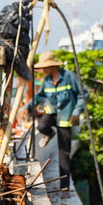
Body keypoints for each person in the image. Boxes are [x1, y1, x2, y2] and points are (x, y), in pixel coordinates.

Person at [26, 51, 86, 192]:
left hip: (66, 118)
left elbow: (83, 95)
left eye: (46, 67)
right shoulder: (46, 81)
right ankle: (49, 133)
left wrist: (77, 111)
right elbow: (39, 97)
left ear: (53, 66)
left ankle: (64, 187)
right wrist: (27, 108)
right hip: (52, 113)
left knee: (63, 154)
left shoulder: (69, 77)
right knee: (41, 126)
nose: (44, 70)